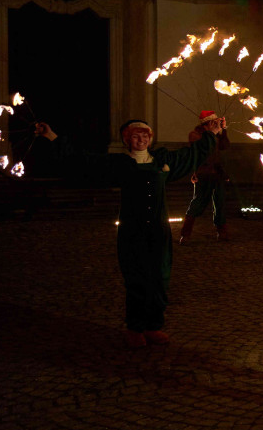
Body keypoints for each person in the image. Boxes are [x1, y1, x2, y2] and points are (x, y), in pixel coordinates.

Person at [35, 117, 223, 348]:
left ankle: (153, 326)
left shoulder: (162, 160)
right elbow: (80, 161)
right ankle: (135, 328)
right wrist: (51, 135)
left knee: (160, 278)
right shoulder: (119, 163)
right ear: (127, 139)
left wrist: (211, 133)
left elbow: (191, 154)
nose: (141, 139)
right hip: (132, 231)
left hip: (158, 230)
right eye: (135, 135)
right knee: (137, 278)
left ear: (150, 138)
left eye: (145, 135)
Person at [180, 111, 231, 244]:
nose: (216, 125)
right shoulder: (195, 135)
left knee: (220, 203)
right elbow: (201, 149)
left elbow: (225, 146)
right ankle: (185, 234)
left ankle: (222, 232)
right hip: (203, 174)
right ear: (207, 124)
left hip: (217, 173)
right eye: (213, 123)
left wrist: (223, 130)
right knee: (197, 203)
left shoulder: (216, 135)